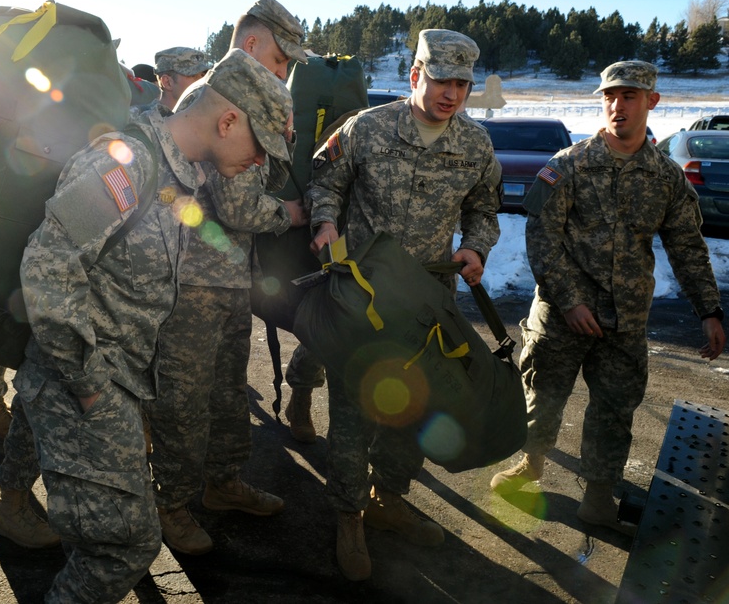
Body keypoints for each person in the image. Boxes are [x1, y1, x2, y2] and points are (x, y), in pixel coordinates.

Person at [0, 48, 292, 602]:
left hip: (119, 383)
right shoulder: (125, 164)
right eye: (260, 147)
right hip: (81, 382)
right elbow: (48, 267)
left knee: (115, 540)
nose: (258, 163)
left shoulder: (179, 168)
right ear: (227, 121)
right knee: (122, 548)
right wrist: (87, 388)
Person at [490, 61, 725, 533]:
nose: (618, 106)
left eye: (630, 96)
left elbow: (687, 246)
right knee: (542, 396)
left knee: (615, 411)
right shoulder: (568, 165)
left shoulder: (666, 178)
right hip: (561, 316)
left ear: (652, 101)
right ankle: (530, 467)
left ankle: (598, 496)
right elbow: (541, 239)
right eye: (610, 96)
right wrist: (571, 301)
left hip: (625, 323)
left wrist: (709, 311)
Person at [307, 29, 502, 580]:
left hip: (427, 307)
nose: (452, 93)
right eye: (442, 80)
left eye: (462, 84)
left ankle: (387, 498)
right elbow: (327, 180)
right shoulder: (366, 129)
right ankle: (349, 516)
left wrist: (475, 246)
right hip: (364, 299)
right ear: (416, 75)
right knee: (353, 411)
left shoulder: (475, 145)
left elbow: (485, 210)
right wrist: (324, 223)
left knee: (415, 408)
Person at [144, 0, 309, 556]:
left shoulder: (234, 96)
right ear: (252, 45)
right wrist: (288, 214)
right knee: (184, 399)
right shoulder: (223, 105)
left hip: (226, 278)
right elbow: (240, 206)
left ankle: (221, 483)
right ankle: (171, 503)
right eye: (283, 61)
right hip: (195, 283)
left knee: (225, 392)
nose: (284, 73)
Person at [151, 47, 210, 115]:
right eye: (193, 76)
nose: (202, 81)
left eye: (203, 75)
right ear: (167, 82)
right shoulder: (143, 121)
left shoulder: (205, 116)